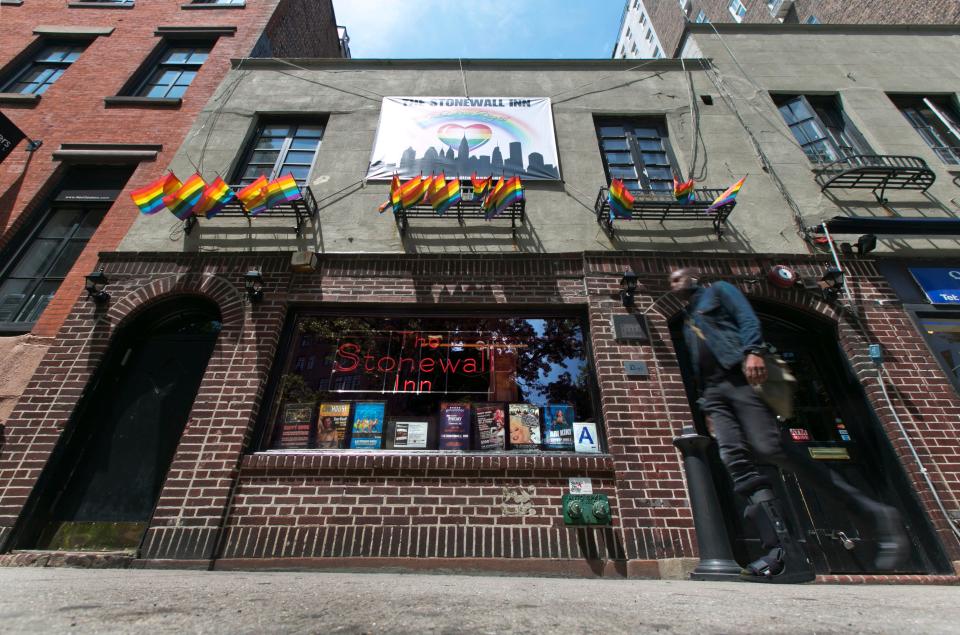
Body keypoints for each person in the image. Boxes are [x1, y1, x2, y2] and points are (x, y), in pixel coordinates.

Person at [670, 267, 908, 583]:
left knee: (770, 447)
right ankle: (779, 551)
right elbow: (700, 360)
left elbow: (748, 320)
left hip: (740, 379)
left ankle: (875, 515)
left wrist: (753, 351)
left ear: (693, 276)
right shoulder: (688, 318)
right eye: (671, 280)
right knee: (735, 460)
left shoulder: (720, 290)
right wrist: (707, 406)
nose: (674, 283)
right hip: (714, 393)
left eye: (678, 277)